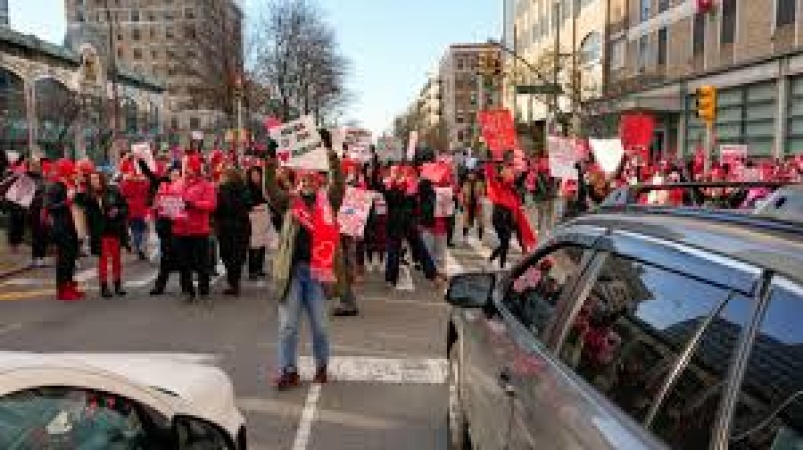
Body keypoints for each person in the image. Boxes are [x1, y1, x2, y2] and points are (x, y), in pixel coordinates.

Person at [265, 135, 344, 390]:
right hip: (292, 273)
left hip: (317, 274)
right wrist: (268, 162)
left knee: (320, 327)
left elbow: (339, 186)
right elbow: (269, 191)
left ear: (319, 179)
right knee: (287, 327)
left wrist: (330, 155)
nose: (308, 181)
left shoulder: (327, 201)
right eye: (303, 178)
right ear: (298, 180)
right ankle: (289, 370)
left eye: (312, 177)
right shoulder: (289, 201)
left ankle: (321, 366)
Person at [74, 171, 129, 298]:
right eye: (92, 179)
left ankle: (117, 285)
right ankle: (104, 286)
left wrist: (118, 211)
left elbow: (125, 207)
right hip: (99, 232)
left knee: (116, 259)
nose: (94, 181)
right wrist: (79, 186)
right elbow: (78, 201)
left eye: (96, 178)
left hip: (114, 229)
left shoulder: (113, 191)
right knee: (103, 260)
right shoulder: (87, 195)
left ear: (101, 179)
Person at [173, 155, 217, 304]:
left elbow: (211, 205)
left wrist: (194, 204)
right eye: (186, 168)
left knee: (201, 263)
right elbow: (169, 200)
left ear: (196, 169)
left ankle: (204, 290)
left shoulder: (206, 185)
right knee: (183, 263)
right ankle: (188, 290)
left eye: (190, 167)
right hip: (180, 229)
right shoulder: (178, 184)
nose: (187, 171)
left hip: (199, 230)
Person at [139, 159, 181, 296]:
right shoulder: (162, 183)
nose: (174, 176)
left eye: (177, 174)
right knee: (166, 257)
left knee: (183, 257)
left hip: (182, 226)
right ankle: (159, 286)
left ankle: (187, 286)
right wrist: (141, 161)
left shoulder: (185, 186)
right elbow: (149, 175)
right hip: (165, 225)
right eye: (173, 174)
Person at [45, 163, 83, 301]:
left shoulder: (69, 185)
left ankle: (70, 285)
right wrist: (67, 202)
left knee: (71, 259)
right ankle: (62, 290)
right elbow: (49, 206)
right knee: (64, 261)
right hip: (61, 228)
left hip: (71, 227)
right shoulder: (55, 187)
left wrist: (78, 191)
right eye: (71, 172)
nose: (74, 174)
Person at [215, 168, 251, 296]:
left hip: (228, 227)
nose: (220, 178)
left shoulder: (223, 190)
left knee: (228, 255)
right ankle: (234, 283)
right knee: (236, 256)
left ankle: (233, 283)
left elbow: (219, 208)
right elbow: (248, 205)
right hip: (240, 226)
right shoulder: (244, 189)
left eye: (222, 176)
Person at [119, 158, 151, 260]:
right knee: (145, 230)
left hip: (130, 209)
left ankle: (138, 248)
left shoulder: (125, 183)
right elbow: (149, 191)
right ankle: (141, 247)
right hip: (142, 208)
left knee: (135, 230)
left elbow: (122, 194)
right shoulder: (144, 182)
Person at [246, 166, 268, 280]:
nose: (255, 177)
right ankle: (252, 270)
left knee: (262, 243)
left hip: (264, 217)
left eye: (257, 174)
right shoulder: (248, 188)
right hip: (253, 217)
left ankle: (259, 268)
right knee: (253, 245)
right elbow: (247, 204)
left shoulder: (264, 187)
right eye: (253, 175)